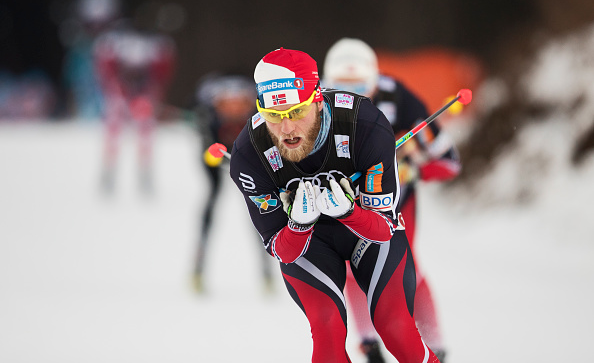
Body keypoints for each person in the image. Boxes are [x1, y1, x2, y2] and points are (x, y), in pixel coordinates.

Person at [229, 47, 441, 363]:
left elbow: (383, 230)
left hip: (367, 230)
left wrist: (349, 211)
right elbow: (283, 251)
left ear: (316, 99)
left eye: (296, 112)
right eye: (274, 116)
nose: (286, 130)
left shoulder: (364, 124)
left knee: (396, 328)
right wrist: (299, 225)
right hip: (308, 243)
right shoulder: (250, 154)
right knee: (327, 331)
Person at [323, 38, 461, 362]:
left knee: (406, 265)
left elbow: (449, 162)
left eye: (359, 86)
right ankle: (370, 344)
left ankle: (434, 345)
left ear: (374, 82)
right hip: (347, 202)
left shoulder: (400, 99)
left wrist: (411, 168)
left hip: (395, 202)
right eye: (339, 86)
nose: (350, 96)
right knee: (352, 264)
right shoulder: (315, 104)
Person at [192, 72, 274, 293]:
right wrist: (212, 155)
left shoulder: (258, 119)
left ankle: (268, 271)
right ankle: (198, 269)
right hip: (218, 159)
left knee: (258, 205)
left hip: (249, 159)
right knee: (212, 197)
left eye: (239, 104)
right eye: (227, 104)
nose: (233, 109)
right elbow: (207, 155)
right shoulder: (208, 120)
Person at [93, 26, 177, 194]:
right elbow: (106, 70)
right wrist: (117, 90)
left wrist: (151, 93)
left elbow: (161, 73)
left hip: (144, 94)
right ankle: (108, 175)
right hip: (119, 93)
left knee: (145, 134)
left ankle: (145, 176)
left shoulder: (156, 46)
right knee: (114, 133)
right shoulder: (114, 44)